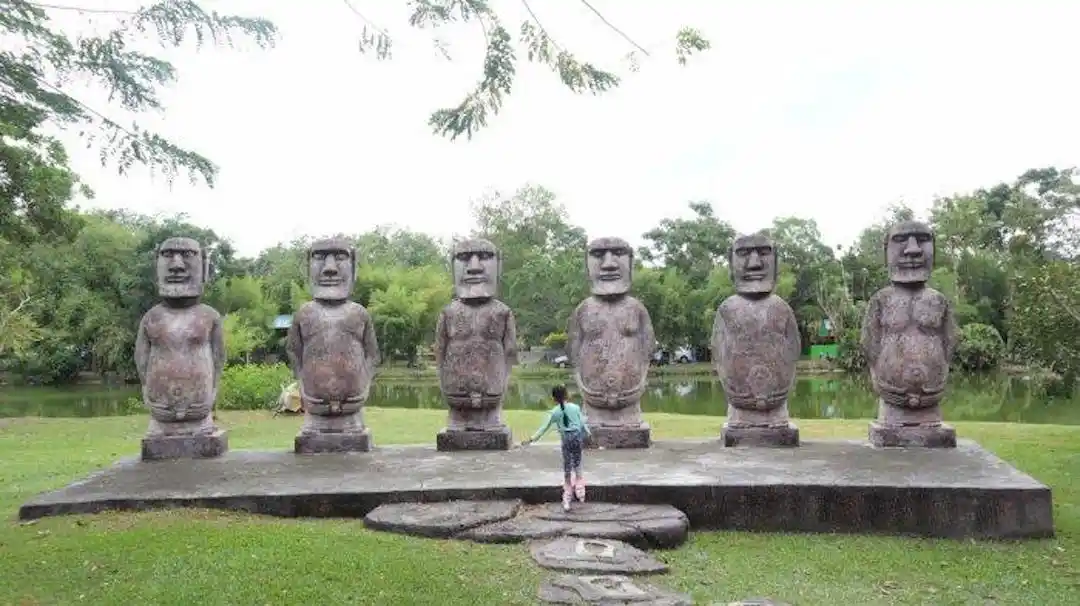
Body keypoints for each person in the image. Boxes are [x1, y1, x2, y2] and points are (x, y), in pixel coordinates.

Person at [521, 384, 591, 511]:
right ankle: (581, 494)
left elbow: (544, 427)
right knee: (578, 465)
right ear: (567, 395)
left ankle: (567, 499)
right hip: (577, 439)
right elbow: (582, 424)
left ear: (554, 399)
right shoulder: (575, 408)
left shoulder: (554, 412)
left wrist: (532, 439)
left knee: (567, 469)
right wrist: (589, 435)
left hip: (566, 440)